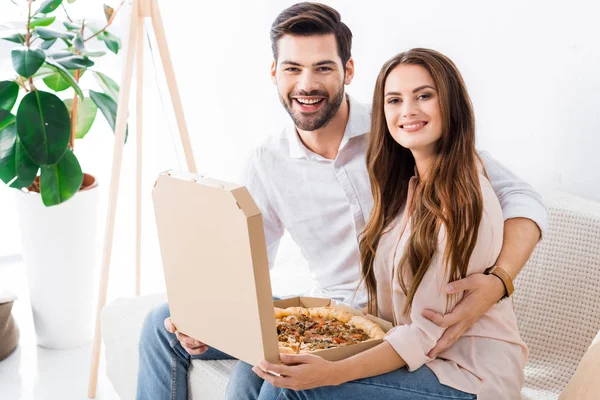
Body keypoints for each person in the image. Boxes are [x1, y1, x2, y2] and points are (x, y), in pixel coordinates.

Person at [136, 3, 545, 399]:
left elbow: (514, 195)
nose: (307, 84)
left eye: (323, 67)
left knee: (274, 379)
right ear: (274, 73)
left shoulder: (401, 134)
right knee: (165, 323)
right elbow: (244, 265)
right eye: (293, 68)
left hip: (402, 326)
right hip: (337, 313)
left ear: (348, 71)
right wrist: (207, 315)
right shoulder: (269, 161)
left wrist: (498, 281)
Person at [252, 47, 527, 400]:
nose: (408, 110)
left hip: (466, 376)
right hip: (415, 357)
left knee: (296, 392)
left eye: (424, 96)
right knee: (261, 367)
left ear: (451, 103)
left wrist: (333, 372)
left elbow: (427, 334)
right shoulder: (407, 188)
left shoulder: (463, 200)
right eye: (394, 100)